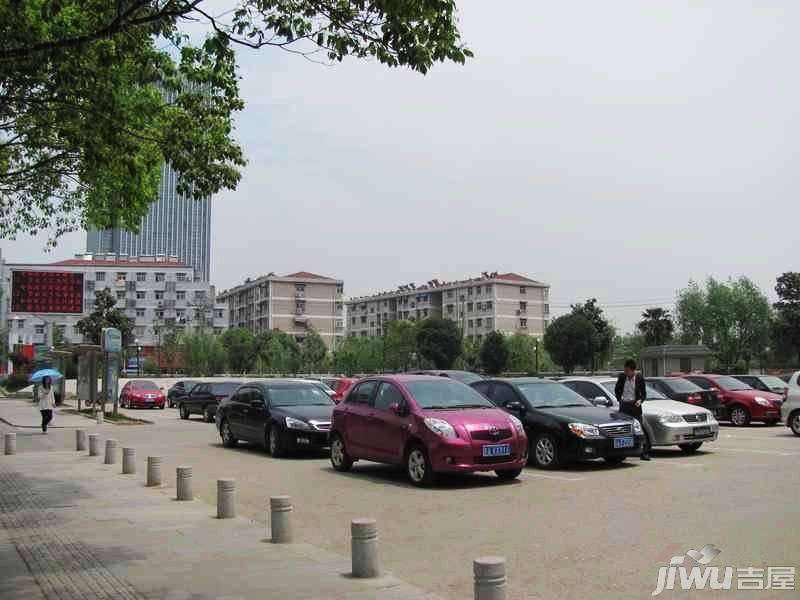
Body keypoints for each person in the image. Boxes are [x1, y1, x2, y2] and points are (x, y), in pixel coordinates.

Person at [614, 359, 650, 461]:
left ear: (632, 370)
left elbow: (644, 394)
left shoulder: (639, 378)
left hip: (635, 406)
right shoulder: (622, 377)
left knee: (639, 429)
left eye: (627, 371)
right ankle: (622, 452)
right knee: (622, 429)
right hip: (624, 406)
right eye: (625, 370)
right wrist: (619, 399)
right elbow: (617, 389)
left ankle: (644, 453)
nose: (626, 373)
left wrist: (640, 401)